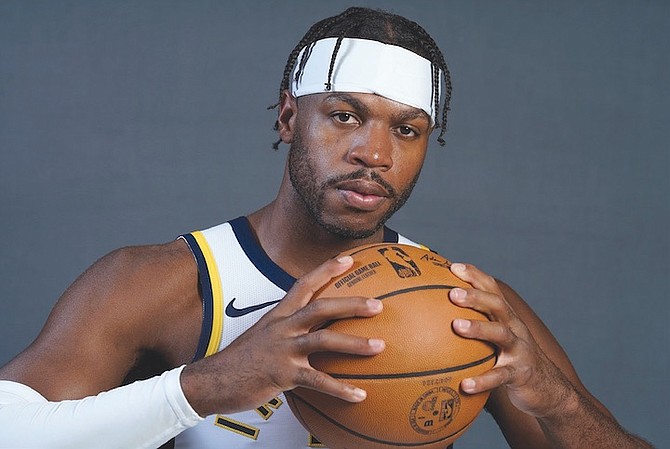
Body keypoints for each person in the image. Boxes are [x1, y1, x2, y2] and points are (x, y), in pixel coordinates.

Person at [0, 6, 653, 449]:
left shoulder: (468, 306)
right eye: (345, 115)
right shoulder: (169, 283)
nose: (375, 152)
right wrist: (208, 384)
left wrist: (560, 403)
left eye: (406, 129)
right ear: (288, 117)